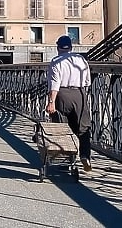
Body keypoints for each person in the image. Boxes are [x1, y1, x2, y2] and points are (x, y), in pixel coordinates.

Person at [46, 35, 92, 172]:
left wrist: (51, 102)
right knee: (84, 128)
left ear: (58, 47)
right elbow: (87, 81)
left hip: (62, 95)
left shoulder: (55, 61)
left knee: (62, 129)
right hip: (79, 94)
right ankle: (85, 155)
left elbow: (54, 85)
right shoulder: (81, 59)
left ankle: (65, 162)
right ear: (71, 47)